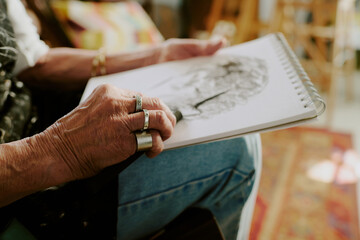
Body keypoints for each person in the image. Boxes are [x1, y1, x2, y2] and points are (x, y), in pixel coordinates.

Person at [0, 0, 262, 239]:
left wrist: (153, 56)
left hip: (38, 119)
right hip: (24, 189)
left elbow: (34, 61)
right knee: (234, 151)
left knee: (231, 132)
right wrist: (62, 150)